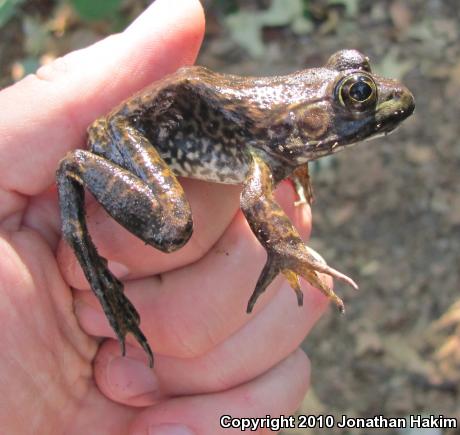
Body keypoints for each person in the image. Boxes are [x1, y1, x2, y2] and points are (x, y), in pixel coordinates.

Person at [0, 0, 329, 433]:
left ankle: (98, 274)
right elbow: (254, 196)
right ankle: (81, 181)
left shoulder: (278, 139)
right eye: (354, 97)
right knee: (172, 226)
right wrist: (285, 250)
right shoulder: (271, 143)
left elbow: (263, 177)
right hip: (130, 135)